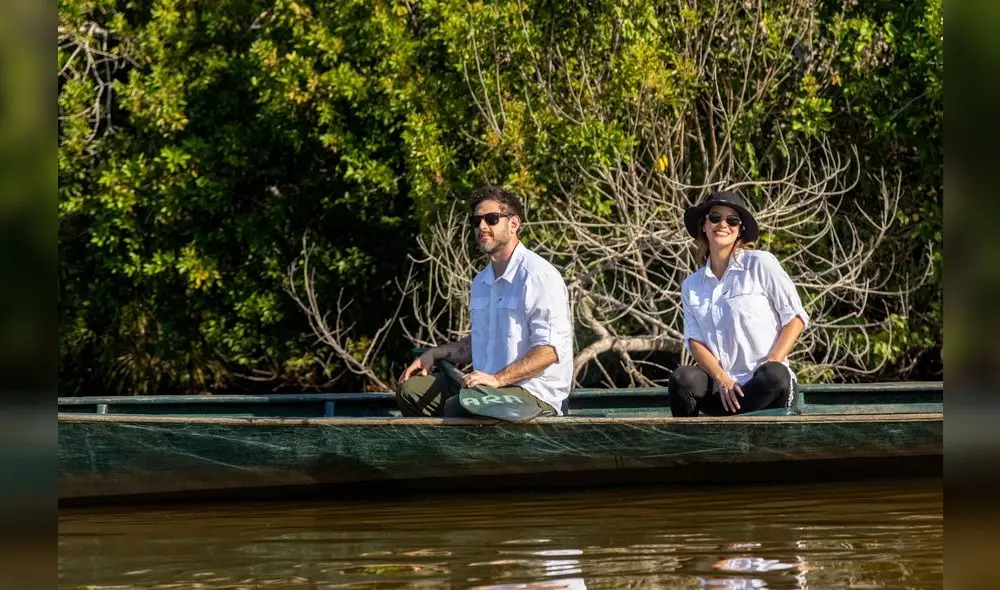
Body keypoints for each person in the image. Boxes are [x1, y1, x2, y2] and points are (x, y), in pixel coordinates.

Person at [396, 186, 573, 417]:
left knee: (459, 407)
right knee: (410, 391)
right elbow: (480, 342)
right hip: (484, 390)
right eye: (476, 221)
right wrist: (434, 354)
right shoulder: (481, 281)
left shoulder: (538, 275)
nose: (482, 226)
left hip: (534, 394)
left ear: (514, 224)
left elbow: (550, 350)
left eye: (491, 219)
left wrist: (498, 379)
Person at [670, 190, 809, 416]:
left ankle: (732, 429)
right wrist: (722, 378)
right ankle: (692, 447)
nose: (723, 224)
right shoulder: (692, 286)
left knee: (775, 374)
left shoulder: (761, 264)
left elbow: (795, 318)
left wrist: (772, 361)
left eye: (732, 220)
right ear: (704, 225)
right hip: (724, 388)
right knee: (682, 379)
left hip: (764, 386)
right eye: (715, 217)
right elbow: (695, 342)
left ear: (739, 231)